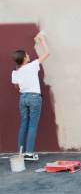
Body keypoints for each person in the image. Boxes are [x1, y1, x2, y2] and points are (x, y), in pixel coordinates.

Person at [11, 31, 50, 161]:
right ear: (24, 59)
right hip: (34, 98)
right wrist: (42, 39)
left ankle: (21, 153)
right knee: (32, 125)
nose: (29, 55)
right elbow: (47, 54)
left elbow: (17, 86)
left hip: (23, 98)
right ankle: (28, 153)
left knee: (24, 124)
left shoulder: (15, 72)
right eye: (27, 55)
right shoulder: (32, 65)